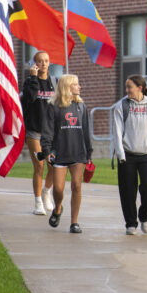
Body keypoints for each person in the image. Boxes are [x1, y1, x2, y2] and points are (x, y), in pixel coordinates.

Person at [110, 74, 147, 235]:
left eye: (130, 87)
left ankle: (145, 216)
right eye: (126, 87)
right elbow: (117, 132)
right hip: (127, 155)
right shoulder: (122, 106)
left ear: (139, 88)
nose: (127, 90)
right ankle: (131, 223)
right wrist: (121, 154)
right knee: (128, 191)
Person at [41, 74, 91, 234]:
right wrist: (47, 150)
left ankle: (74, 222)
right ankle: (58, 208)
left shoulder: (82, 106)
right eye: (76, 84)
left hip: (78, 152)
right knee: (58, 189)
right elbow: (47, 131)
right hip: (60, 152)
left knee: (77, 185)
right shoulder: (53, 106)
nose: (79, 87)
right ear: (67, 87)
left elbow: (86, 131)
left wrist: (89, 152)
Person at [22, 51, 55, 215]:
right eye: (40, 61)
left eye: (46, 61)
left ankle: (47, 192)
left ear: (50, 63)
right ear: (34, 64)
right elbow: (30, 98)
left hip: (51, 133)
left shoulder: (54, 82)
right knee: (40, 165)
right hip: (34, 131)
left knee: (54, 166)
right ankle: (37, 203)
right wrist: (34, 78)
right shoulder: (29, 82)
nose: (43, 64)